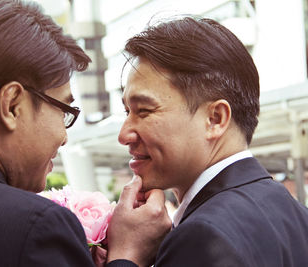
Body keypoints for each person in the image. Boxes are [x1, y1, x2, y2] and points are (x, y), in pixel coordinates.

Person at [0, 0, 170, 266]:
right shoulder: (34, 227)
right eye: (63, 110)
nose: (64, 136)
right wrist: (128, 256)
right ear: (12, 106)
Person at [107, 16, 308, 266]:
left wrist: (125, 256)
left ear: (215, 119)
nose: (124, 135)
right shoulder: (297, 215)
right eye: (127, 112)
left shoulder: (203, 236)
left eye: (144, 111)